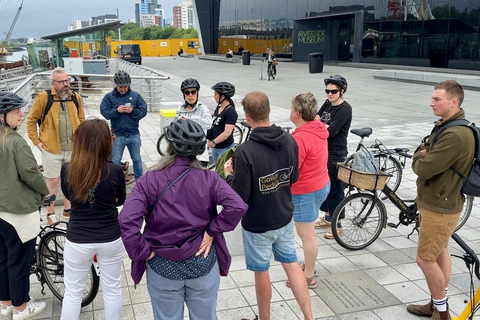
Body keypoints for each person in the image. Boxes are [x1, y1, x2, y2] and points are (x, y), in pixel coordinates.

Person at [119, 118, 247, 320]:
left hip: (162, 264)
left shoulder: (149, 180)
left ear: (169, 146)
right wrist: (211, 231)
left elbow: (127, 221)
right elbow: (237, 206)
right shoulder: (209, 178)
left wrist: (143, 252)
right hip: (202, 261)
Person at [224, 91, 313, 320]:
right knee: (292, 265)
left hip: (258, 223)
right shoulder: (290, 140)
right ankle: (309, 317)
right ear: (269, 110)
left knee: (261, 272)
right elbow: (292, 178)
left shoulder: (245, 151)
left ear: (247, 117)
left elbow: (240, 196)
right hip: (284, 215)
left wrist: (228, 176)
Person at [407, 80, 474, 320]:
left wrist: (418, 156)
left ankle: (442, 314)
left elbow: (424, 168)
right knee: (439, 252)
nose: (431, 103)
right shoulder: (448, 125)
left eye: (437, 99)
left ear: (454, 102)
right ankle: (436, 304)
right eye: (432, 98)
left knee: (425, 259)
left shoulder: (456, 134)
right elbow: (428, 149)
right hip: (438, 202)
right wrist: (425, 153)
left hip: (441, 207)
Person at [60, 119, 126, 320]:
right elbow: (120, 199)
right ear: (106, 142)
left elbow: (69, 196)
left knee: (72, 294)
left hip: (78, 238)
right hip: (110, 237)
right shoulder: (114, 170)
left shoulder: (67, 169)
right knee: (113, 290)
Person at [0, 92, 49, 320]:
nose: (22, 113)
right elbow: (31, 175)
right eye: (16, 111)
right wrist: (45, 191)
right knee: (19, 260)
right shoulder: (15, 142)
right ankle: (21, 308)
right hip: (17, 211)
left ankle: (6, 303)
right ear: (2, 116)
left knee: (2, 258)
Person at [26, 67, 85, 226]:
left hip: (72, 148)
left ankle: (68, 209)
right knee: (52, 182)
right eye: (61, 82)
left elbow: (82, 120)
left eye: (67, 80)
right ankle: (50, 212)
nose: (66, 84)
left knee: (71, 181)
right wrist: (37, 142)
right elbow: (31, 120)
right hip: (51, 149)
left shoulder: (75, 97)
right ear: (53, 83)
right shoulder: (44, 98)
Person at [288, 93, 330, 289]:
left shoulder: (301, 138)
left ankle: (309, 276)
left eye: (290, 109)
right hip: (321, 183)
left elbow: (292, 171)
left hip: (306, 191)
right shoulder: (317, 128)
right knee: (308, 231)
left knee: (307, 234)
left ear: (297, 113)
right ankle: (309, 266)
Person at [314, 75, 352, 240]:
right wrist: (322, 125)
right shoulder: (328, 103)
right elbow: (316, 119)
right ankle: (328, 217)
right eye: (327, 91)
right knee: (324, 184)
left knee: (335, 187)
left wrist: (322, 126)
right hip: (324, 149)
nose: (329, 94)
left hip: (336, 152)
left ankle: (338, 224)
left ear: (341, 91)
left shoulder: (344, 109)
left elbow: (330, 132)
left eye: (333, 91)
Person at [100, 70, 148, 181]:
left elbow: (143, 110)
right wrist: (117, 111)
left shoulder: (135, 96)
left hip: (133, 134)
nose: (123, 89)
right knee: (115, 161)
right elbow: (105, 112)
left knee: (136, 159)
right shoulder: (109, 97)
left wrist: (132, 111)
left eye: (125, 87)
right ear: (116, 85)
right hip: (117, 135)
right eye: (121, 87)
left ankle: (139, 182)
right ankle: (114, 182)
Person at [177, 78, 212, 164]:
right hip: (184, 151)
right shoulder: (180, 108)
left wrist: (190, 120)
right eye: (187, 92)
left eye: (193, 92)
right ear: (183, 94)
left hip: (199, 152)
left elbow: (209, 123)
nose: (190, 95)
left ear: (197, 93)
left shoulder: (202, 108)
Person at [207, 81, 238, 164]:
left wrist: (214, 142)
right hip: (216, 148)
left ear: (223, 96)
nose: (214, 96)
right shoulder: (219, 108)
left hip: (224, 148)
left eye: (216, 94)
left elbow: (227, 133)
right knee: (217, 171)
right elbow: (214, 125)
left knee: (223, 174)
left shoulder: (230, 112)